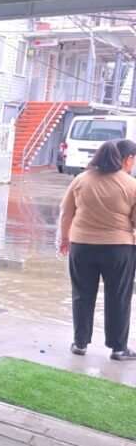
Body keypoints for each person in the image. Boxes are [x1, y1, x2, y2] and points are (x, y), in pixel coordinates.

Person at [59, 138, 136, 361]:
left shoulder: (81, 179)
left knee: (82, 295)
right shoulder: (131, 185)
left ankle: (80, 344)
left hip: (82, 246)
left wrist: (65, 239)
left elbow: (66, 213)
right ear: (126, 159)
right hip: (118, 249)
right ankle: (118, 349)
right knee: (118, 297)